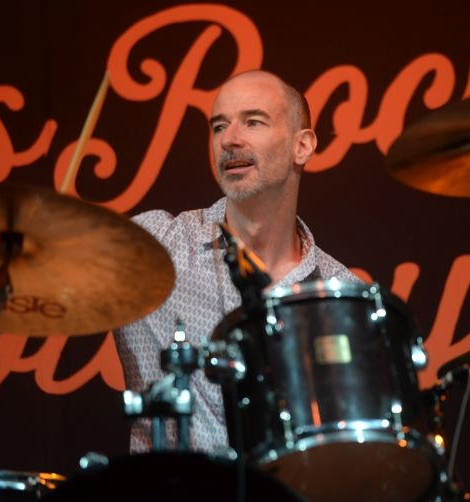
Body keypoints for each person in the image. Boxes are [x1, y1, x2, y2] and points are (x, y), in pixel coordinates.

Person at [113, 70, 361, 455]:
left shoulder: (341, 297)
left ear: (302, 146)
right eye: (219, 126)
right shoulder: (153, 249)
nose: (229, 140)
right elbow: (52, 264)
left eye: (253, 122)